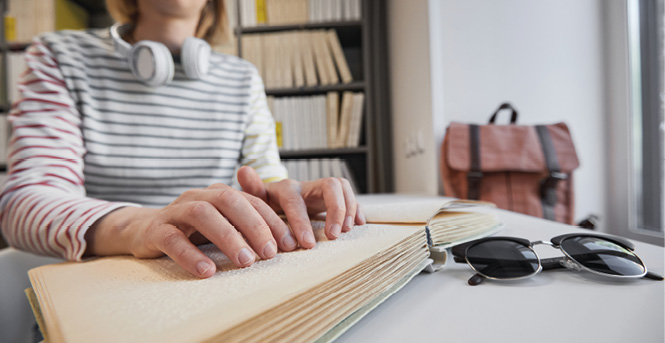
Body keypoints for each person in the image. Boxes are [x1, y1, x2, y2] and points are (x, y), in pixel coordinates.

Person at [0, 0, 365, 279]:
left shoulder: (241, 79)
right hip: (106, 280)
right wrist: (141, 227)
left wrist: (288, 202)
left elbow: (263, 184)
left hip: (215, 275)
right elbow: (23, 206)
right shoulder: (59, 56)